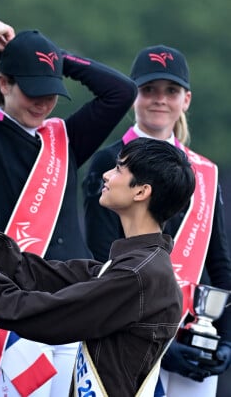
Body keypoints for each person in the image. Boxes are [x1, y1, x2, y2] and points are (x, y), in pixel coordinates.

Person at [0, 137, 197, 397]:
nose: (105, 175)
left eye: (118, 169)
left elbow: (32, 314)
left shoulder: (136, 276)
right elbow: (29, 273)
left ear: (141, 191)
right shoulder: (135, 268)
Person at [0, 20, 137, 395]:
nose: (43, 103)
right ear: (4, 83)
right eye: (32, 90)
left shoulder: (64, 139)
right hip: (13, 306)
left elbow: (122, 91)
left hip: (72, 305)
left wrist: (55, 60)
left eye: (51, 92)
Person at [83, 45, 231, 396]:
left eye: (171, 91)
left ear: (186, 99)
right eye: (149, 90)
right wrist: (159, 346)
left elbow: (220, 263)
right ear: (134, 96)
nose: (159, 100)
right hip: (128, 336)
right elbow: (103, 259)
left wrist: (225, 340)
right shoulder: (109, 160)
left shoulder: (205, 172)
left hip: (194, 338)